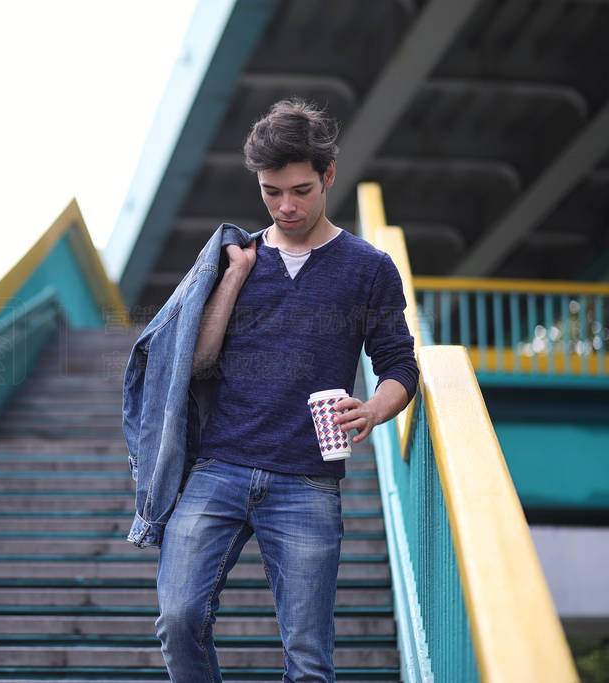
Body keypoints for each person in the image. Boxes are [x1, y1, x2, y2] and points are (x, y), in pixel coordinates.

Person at [146, 99, 419, 682]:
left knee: (308, 659)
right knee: (177, 617)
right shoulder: (233, 258)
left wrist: (373, 408)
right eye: (272, 192)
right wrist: (237, 276)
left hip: (307, 481)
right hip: (219, 467)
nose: (286, 206)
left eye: (300, 190)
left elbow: (400, 363)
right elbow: (195, 363)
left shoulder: (368, 268)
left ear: (328, 176)